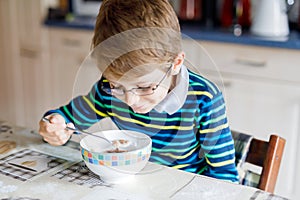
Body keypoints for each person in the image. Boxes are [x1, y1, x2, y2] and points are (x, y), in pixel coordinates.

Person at [39, 0, 239, 183]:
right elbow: (67, 118)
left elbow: (224, 177)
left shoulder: (205, 100)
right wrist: (54, 125)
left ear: (176, 63)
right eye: (117, 86)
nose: (130, 100)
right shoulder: (107, 92)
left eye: (144, 87)